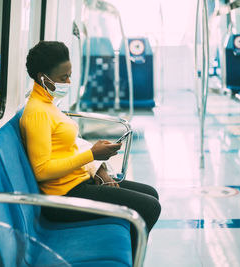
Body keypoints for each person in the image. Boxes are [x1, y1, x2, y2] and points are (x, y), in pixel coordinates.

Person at [20, 41, 161, 256]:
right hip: (64, 196)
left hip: (79, 181)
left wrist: (98, 168)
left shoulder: (48, 104)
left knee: (150, 193)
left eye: (69, 75)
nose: (68, 81)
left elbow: (69, 145)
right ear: (42, 78)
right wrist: (91, 154)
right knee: (149, 207)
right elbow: (41, 171)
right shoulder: (37, 113)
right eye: (62, 78)